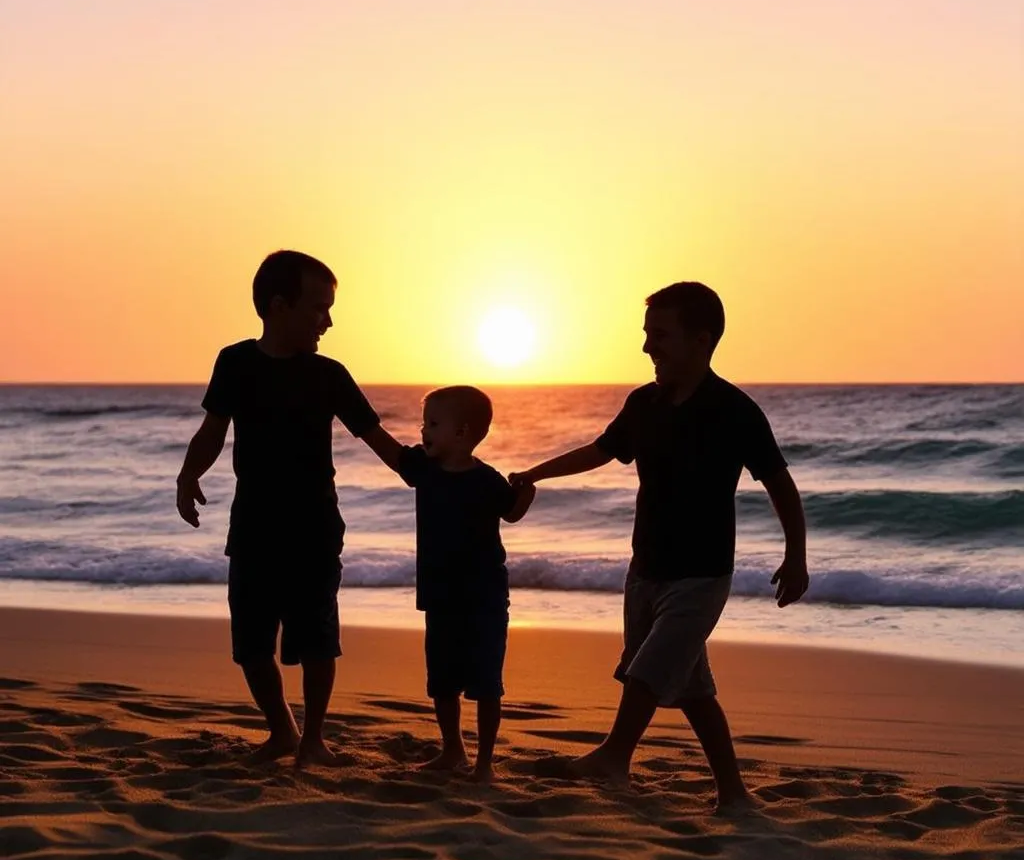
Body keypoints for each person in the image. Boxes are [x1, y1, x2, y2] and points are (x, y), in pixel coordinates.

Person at [510, 282, 808, 812]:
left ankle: (613, 756)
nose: (648, 347)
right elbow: (600, 452)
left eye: (659, 336)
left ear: (702, 339)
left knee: (647, 669)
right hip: (645, 567)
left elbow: (779, 483)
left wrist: (796, 556)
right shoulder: (643, 403)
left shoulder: (734, 411)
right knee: (691, 688)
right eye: (647, 335)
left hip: (702, 574)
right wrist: (536, 472)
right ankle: (735, 794)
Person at [176, 249, 385, 768]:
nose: (328, 321)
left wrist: (433, 474)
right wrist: (187, 476)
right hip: (253, 525)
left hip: (315, 525)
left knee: (317, 639)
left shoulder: (329, 374)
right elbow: (212, 431)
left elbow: (378, 439)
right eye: (318, 307)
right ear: (277, 306)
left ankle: (314, 738)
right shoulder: (236, 362)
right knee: (250, 642)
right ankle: (283, 731)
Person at [364, 386, 535, 783]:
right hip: (440, 595)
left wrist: (527, 492)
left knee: (487, 681)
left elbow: (511, 513)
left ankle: (485, 762)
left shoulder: (487, 480)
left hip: (484, 597)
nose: (423, 430)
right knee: (441, 678)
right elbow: (388, 450)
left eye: (433, 424)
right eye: (424, 423)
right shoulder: (424, 468)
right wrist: (357, 419)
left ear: (462, 432)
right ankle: (453, 748)